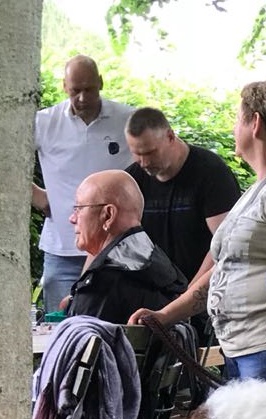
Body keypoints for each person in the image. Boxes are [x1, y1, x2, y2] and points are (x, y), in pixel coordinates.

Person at [128, 79, 266, 380]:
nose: (233, 128)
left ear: (255, 123)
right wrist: (165, 316)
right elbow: (225, 268)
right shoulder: (258, 190)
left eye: (237, 119)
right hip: (240, 350)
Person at [123, 107, 241, 337]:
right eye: (137, 154)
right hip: (154, 302)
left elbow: (225, 246)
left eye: (150, 152)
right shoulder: (134, 178)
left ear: (170, 136)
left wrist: (186, 298)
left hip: (203, 300)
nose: (144, 162)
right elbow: (114, 238)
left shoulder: (211, 173)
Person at [33, 55, 135, 313]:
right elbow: (8, 161)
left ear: (100, 83)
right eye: (75, 90)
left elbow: (148, 165)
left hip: (114, 245)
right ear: (64, 87)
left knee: (110, 322)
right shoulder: (44, 122)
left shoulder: (127, 119)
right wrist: (40, 198)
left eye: (88, 89)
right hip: (62, 246)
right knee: (60, 326)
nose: (81, 98)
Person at [61, 170, 186, 325]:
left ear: (108, 215)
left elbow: (79, 347)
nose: (72, 219)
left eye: (79, 208)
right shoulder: (162, 269)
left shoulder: (102, 282)